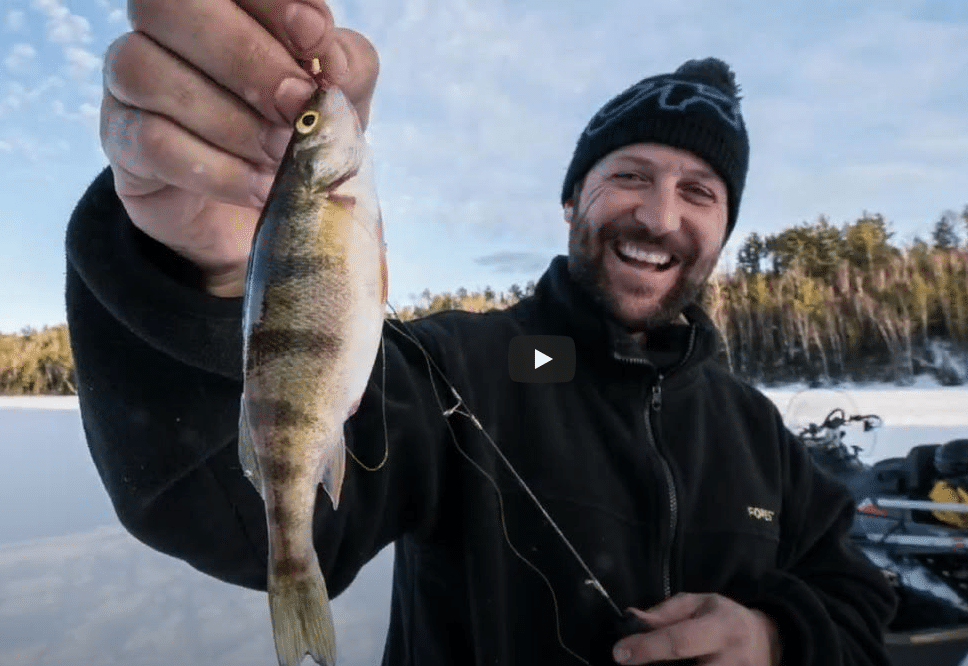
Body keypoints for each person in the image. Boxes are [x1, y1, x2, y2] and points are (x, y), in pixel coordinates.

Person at [66, 2, 897, 664]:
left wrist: (775, 637)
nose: (658, 214)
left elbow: (859, 603)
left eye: (700, 191)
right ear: (574, 198)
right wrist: (194, 277)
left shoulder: (754, 428)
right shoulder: (474, 364)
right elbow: (223, 516)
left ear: (725, 230)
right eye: (630, 176)